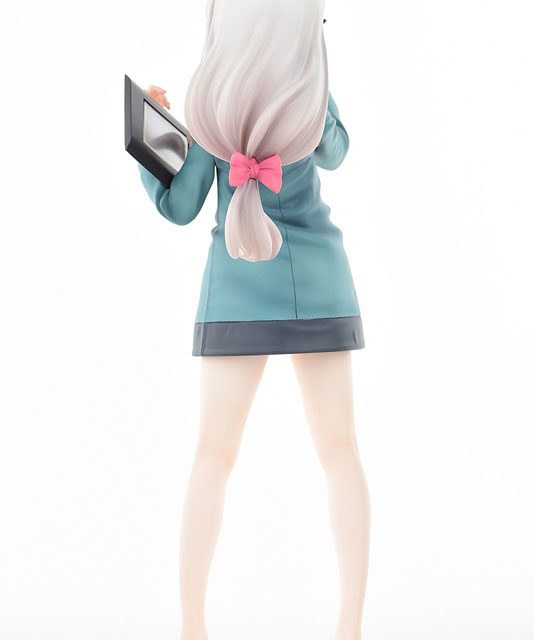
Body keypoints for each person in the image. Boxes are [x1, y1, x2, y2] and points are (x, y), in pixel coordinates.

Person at [137, 1, 370, 638]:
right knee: (340, 450)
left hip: (237, 286)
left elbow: (180, 206)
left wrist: (152, 138)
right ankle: (350, 626)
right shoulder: (307, 92)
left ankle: (192, 628)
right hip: (317, 281)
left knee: (213, 453)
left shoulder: (211, 105)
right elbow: (336, 152)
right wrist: (314, 82)